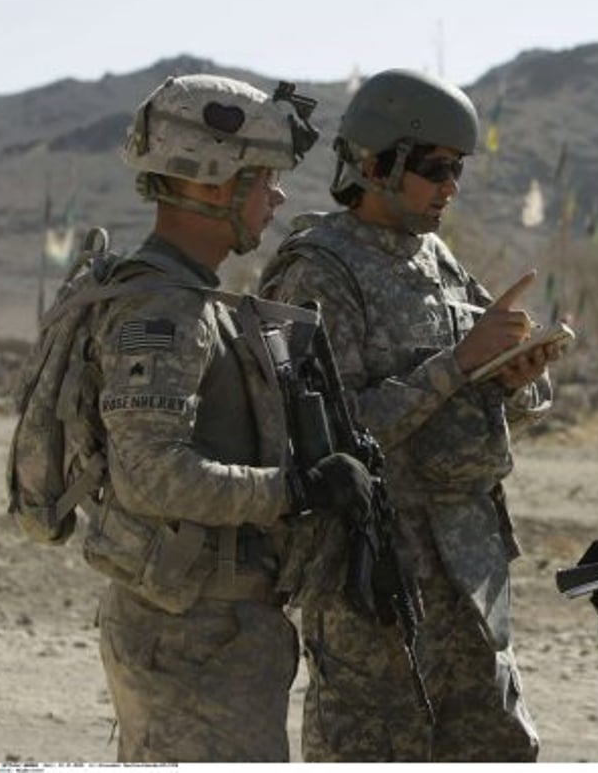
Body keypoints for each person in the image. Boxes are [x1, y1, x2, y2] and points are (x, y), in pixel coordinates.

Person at [260, 68, 558, 761]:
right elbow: (326, 439)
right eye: (434, 169)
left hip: (468, 570)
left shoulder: (440, 260)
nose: (450, 186)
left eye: (456, 170)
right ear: (372, 165)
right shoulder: (317, 271)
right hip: (375, 580)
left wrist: (516, 378)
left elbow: (498, 394)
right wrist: (455, 366)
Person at [85, 74, 371, 761]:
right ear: (214, 184)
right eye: (263, 177)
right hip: (189, 634)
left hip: (212, 627)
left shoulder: (190, 302)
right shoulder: (162, 313)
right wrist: (295, 490)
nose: (275, 197)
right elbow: (151, 476)